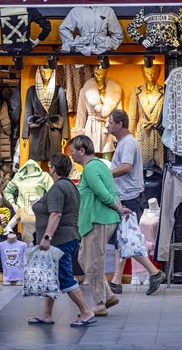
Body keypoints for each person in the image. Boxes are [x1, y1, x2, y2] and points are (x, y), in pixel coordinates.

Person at [29, 153, 96, 327]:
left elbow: (56, 214)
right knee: (52, 275)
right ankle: (47, 315)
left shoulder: (58, 188)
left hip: (60, 240)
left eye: (50, 166)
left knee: (65, 276)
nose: (49, 169)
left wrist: (46, 237)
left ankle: (86, 311)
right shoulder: (70, 186)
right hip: (68, 238)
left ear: (53, 168)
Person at [106, 110, 166, 296]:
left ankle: (154, 273)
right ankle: (117, 280)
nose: (107, 125)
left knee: (127, 239)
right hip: (127, 197)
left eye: (110, 122)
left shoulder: (128, 144)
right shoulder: (125, 143)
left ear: (120, 124)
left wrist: (106, 174)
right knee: (121, 239)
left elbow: (126, 167)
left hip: (130, 198)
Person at [69, 135, 130, 317]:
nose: (71, 155)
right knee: (84, 258)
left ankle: (100, 303)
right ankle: (108, 295)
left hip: (98, 219)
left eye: (73, 151)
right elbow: (111, 190)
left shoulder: (90, 169)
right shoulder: (100, 166)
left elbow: (103, 193)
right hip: (98, 220)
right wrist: (118, 207)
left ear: (81, 151)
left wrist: (118, 208)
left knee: (93, 262)